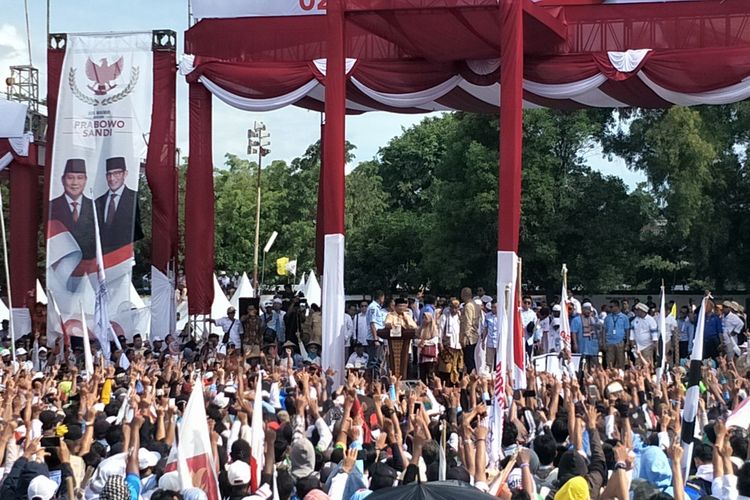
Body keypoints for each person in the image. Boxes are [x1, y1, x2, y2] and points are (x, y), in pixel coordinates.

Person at [49, 158, 96, 260]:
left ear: (85, 180)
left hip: (89, 266)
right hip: (59, 266)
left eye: (80, 178)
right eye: (70, 178)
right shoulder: (52, 206)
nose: (75, 183)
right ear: (62, 179)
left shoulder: (95, 207)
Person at [94, 156, 143, 254]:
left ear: (125, 174)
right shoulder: (98, 201)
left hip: (123, 256)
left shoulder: (132, 198)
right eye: (109, 174)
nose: (112, 178)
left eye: (117, 173)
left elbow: (137, 231)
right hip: (102, 257)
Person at [459, 288, 481, 374]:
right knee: (472, 358)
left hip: (469, 337)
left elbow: (468, 322)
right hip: (475, 335)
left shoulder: (468, 306)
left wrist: (465, 336)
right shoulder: (475, 304)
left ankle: (471, 379)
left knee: (469, 360)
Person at [603, 299, 629, 369]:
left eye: (611, 307)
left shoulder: (624, 317)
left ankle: (620, 377)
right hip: (609, 343)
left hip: (620, 343)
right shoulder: (607, 318)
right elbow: (604, 331)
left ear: (617, 307)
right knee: (610, 363)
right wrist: (603, 343)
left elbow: (627, 330)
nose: (610, 308)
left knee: (621, 363)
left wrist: (627, 343)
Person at [366, 291, 387, 376]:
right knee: (373, 361)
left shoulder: (378, 307)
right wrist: (375, 339)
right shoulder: (373, 307)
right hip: (374, 338)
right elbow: (372, 323)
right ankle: (370, 382)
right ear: (381, 297)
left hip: (379, 337)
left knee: (378, 361)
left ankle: (376, 380)